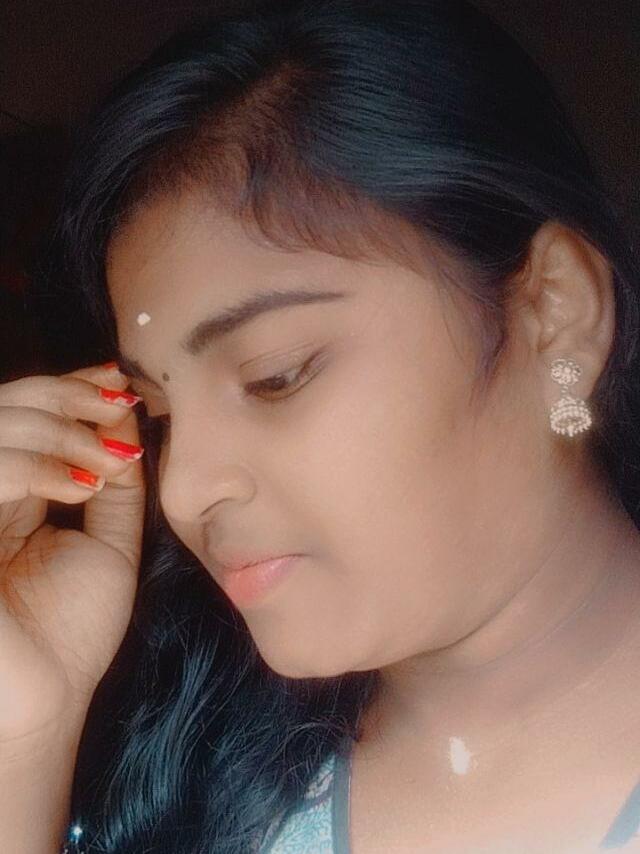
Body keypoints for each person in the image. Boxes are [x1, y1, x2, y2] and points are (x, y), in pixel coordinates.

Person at [1, 0, 639, 851]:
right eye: (158, 417)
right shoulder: (208, 794)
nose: (183, 492)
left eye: (276, 375)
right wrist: (22, 743)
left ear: (558, 311)